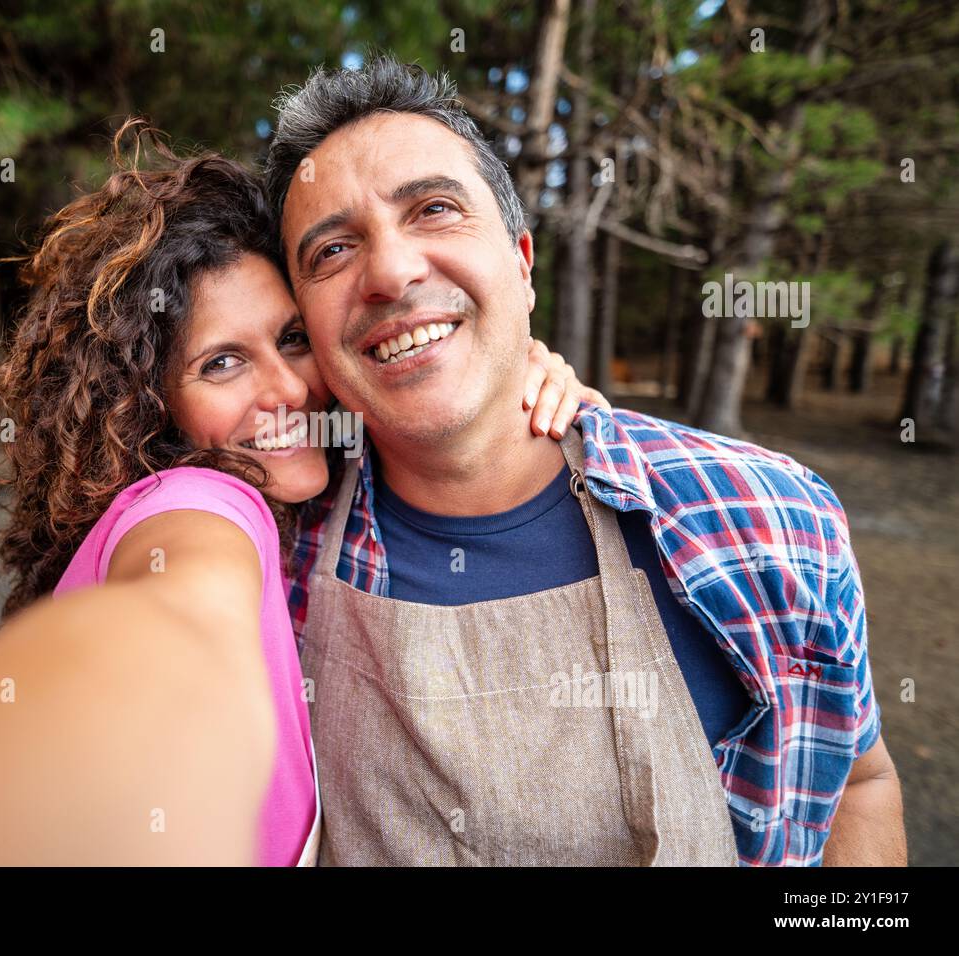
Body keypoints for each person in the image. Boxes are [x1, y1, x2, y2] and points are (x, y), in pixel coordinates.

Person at [0, 119, 601, 867]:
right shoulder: (202, 509)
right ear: (153, 405)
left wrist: (526, 375)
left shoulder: (316, 495)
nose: (285, 390)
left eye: (290, 340)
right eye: (223, 361)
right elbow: (172, 633)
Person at [264, 55, 906, 866]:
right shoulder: (272, 555)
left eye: (433, 208)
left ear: (523, 264)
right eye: (331, 252)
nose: (390, 272)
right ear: (305, 331)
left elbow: (858, 781)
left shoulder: (769, 518)